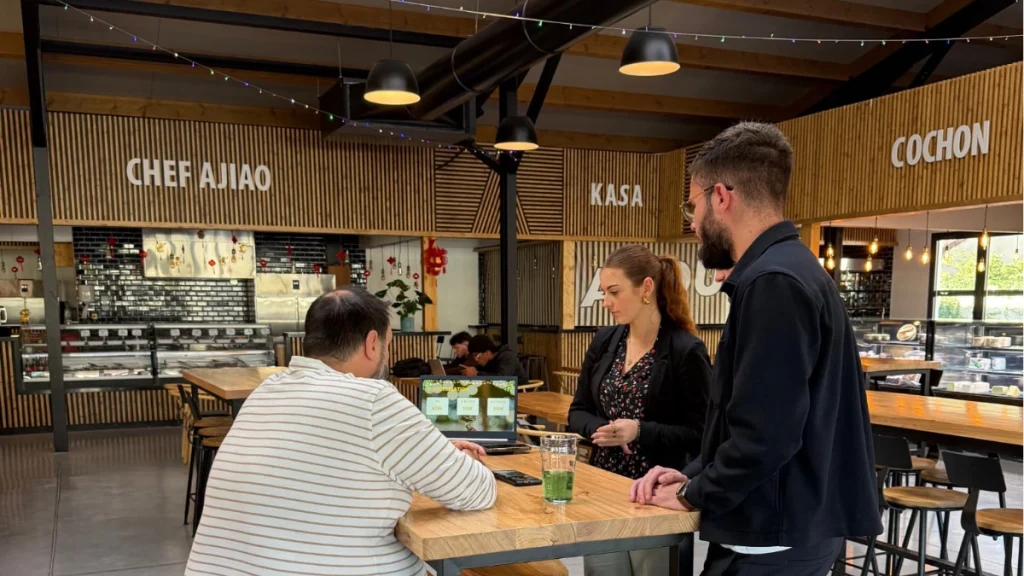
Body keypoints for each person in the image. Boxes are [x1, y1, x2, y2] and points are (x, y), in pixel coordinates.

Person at [630, 122, 881, 576]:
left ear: (721, 197)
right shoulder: (792, 269)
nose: (693, 223)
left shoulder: (774, 283)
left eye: (693, 205)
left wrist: (694, 493)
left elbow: (767, 435)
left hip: (773, 537)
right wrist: (697, 473)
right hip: (789, 529)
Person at [185, 288, 496, 576]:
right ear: (373, 343)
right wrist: (466, 461)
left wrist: (427, 453)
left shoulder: (267, 390)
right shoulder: (375, 399)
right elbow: (477, 492)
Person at [568, 245, 711, 576]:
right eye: (604, 293)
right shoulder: (605, 342)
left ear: (646, 288)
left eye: (614, 292)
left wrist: (640, 431)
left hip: (655, 498)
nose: (606, 303)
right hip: (603, 493)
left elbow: (704, 434)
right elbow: (577, 412)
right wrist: (599, 430)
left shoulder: (685, 351)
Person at [463, 334, 528, 382]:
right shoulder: (488, 362)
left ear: (487, 352)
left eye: (476, 355)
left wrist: (476, 374)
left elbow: (502, 379)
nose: (476, 359)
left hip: (520, 393)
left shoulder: (507, 357)